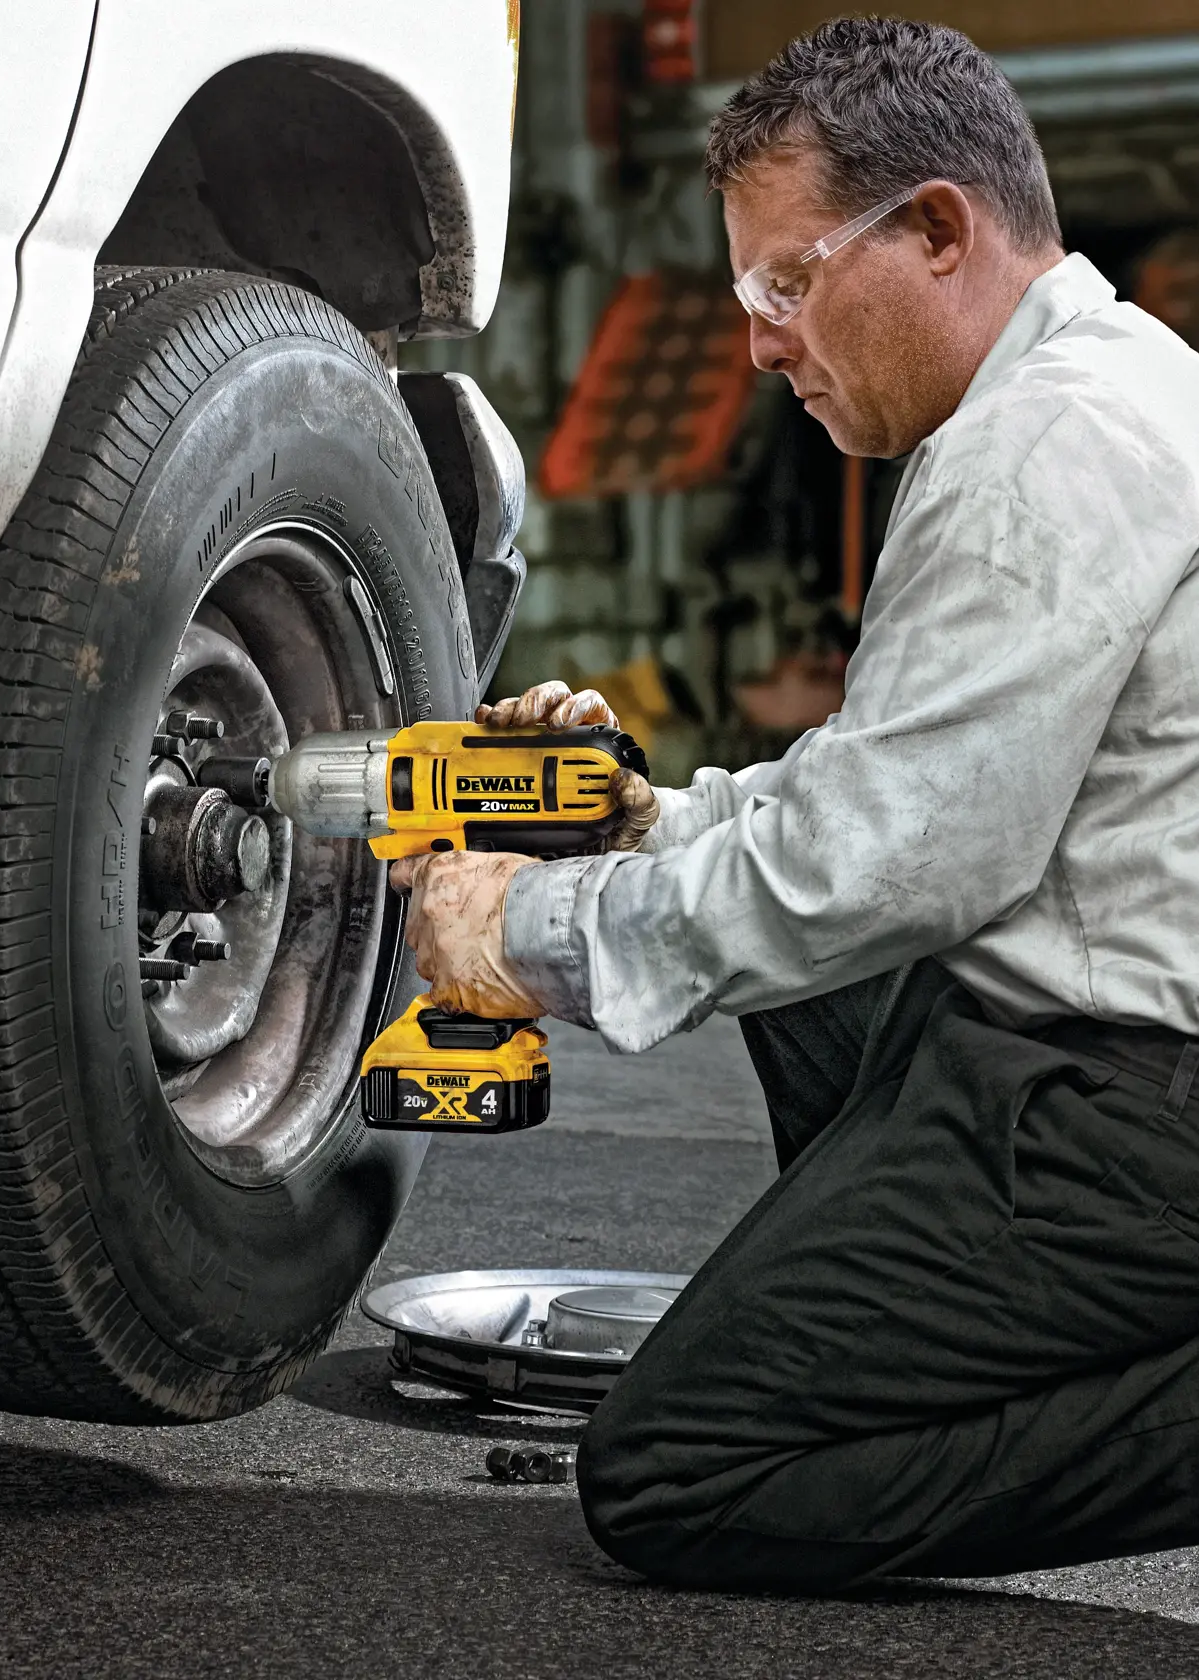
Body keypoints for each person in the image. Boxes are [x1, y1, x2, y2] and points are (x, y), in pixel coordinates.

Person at [393, 17, 1199, 1591]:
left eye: (784, 282)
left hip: (1134, 1113)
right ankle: (901, 1322)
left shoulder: (1038, 457)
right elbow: (889, 792)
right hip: (1080, 1021)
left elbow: (888, 865)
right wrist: (639, 829)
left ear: (938, 232)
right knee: (803, 970)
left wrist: (527, 934)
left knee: (680, 1473)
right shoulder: (1106, 390)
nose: (758, 340)